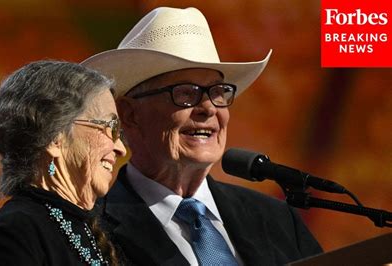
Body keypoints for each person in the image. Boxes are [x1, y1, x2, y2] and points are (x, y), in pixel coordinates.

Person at [82, 7, 323, 266]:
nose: (209, 108)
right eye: (186, 92)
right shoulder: (88, 230)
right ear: (129, 114)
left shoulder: (277, 219)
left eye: (218, 92)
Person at [0, 60, 127, 265]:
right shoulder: (15, 231)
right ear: (56, 139)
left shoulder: (89, 228)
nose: (121, 148)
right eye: (110, 127)